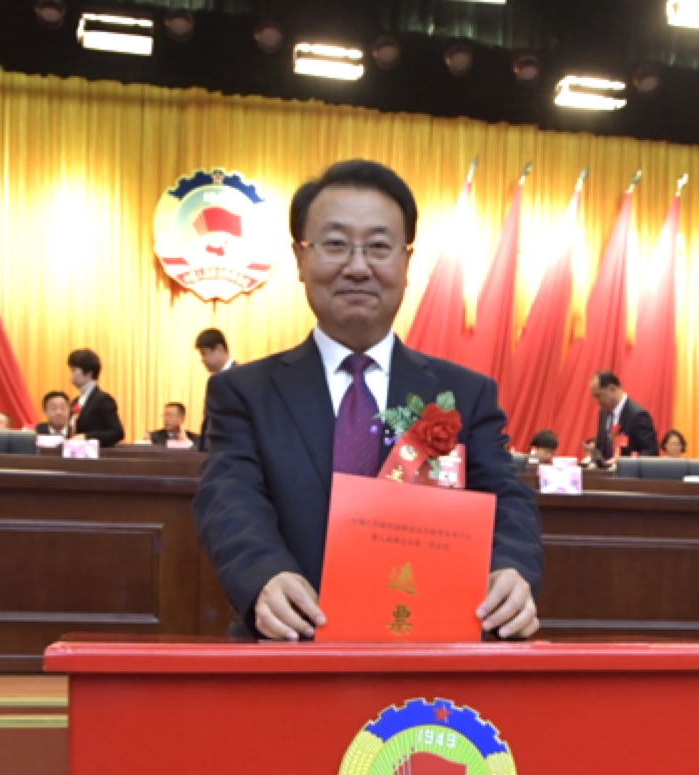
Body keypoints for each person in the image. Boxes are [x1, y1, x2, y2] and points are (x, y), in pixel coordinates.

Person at [195, 157, 542, 642]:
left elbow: (506, 498)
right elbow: (229, 498)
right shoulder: (244, 393)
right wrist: (263, 576)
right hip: (289, 642)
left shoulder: (465, 395)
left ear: (406, 262)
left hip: (429, 649)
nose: (358, 267)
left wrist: (511, 567)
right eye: (335, 244)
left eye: (379, 247)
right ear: (300, 259)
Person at [589, 370, 658, 464]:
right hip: (605, 472)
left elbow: (651, 451)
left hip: (628, 472)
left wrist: (626, 463)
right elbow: (600, 446)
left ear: (612, 389)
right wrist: (594, 462)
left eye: (598, 396)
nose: (597, 401)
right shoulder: (603, 413)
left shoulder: (637, 415)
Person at [67, 349, 125, 447]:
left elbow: (117, 433)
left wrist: (87, 436)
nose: (70, 375)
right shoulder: (76, 401)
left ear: (89, 373)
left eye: (74, 370)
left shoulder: (103, 400)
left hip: (96, 453)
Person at [196, 328, 236, 452]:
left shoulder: (239, 378)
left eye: (204, 353)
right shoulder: (216, 379)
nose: (202, 360)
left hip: (229, 450)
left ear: (219, 349)